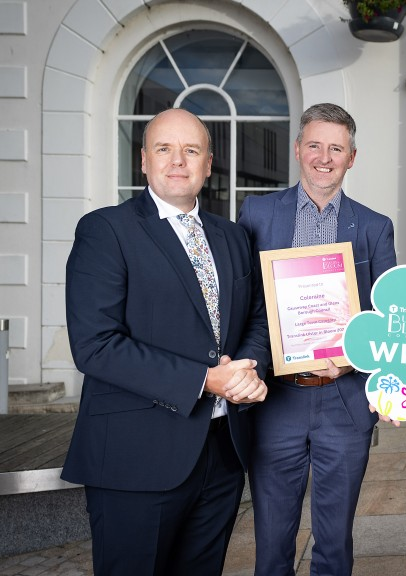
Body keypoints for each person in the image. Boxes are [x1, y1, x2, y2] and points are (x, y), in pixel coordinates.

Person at [61, 108, 270, 576]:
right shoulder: (106, 230)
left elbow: (255, 318)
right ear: (143, 161)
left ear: (208, 163)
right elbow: (95, 344)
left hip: (220, 455)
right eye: (164, 149)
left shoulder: (233, 236)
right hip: (137, 457)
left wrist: (248, 370)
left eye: (191, 150)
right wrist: (206, 380)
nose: (178, 160)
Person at [238, 102, 397, 575]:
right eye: (314, 145)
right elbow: (245, 301)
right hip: (276, 398)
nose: (324, 157)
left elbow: (384, 315)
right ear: (297, 150)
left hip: (343, 400)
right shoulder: (258, 213)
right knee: (270, 537)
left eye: (336, 148)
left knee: (333, 540)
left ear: (352, 157)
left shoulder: (373, 226)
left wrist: (355, 359)